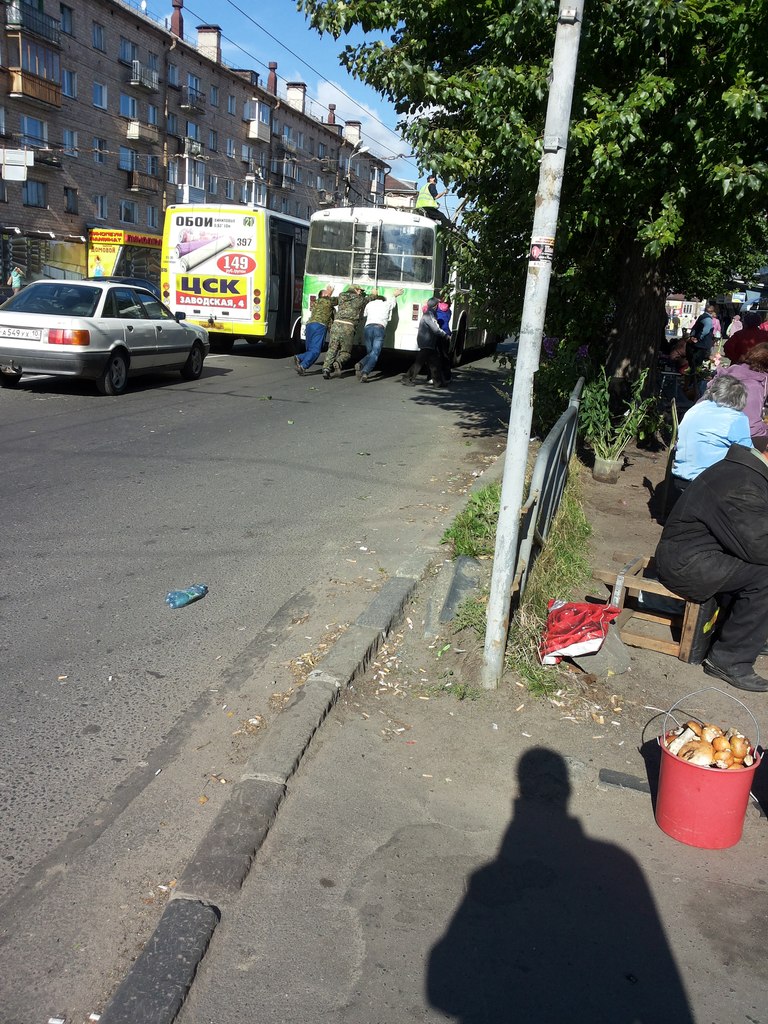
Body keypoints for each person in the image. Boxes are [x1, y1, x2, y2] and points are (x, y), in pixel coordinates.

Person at [655, 442, 768, 692]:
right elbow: (760, 546)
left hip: (702, 557)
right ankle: (729, 660)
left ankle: (749, 634)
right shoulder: (743, 484)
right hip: (686, 565)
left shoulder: (747, 474)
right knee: (765, 575)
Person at [669, 375, 752, 498]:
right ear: (741, 399)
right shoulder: (736, 418)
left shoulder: (697, 408)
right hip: (707, 482)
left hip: (679, 476)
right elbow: (748, 453)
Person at [707, 342, 768, 450]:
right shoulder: (752, 386)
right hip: (720, 449)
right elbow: (752, 430)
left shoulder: (734, 372)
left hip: (707, 438)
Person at [322, 284, 371, 379]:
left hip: (336, 325)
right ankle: (338, 362)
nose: (361, 292)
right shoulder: (359, 299)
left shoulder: (341, 296)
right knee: (346, 353)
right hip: (348, 326)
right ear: (355, 290)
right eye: (360, 290)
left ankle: (326, 369)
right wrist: (373, 294)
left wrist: (328, 295)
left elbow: (331, 301)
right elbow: (368, 299)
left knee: (332, 348)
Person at [356, 287, 404, 382]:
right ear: (383, 300)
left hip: (368, 328)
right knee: (375, 353)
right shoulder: (386, 304)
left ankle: (361, 364)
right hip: (379, 328)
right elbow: (392, 302)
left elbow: (364, 314)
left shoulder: (369, 304)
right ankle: (365, 372)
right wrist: (395, 295)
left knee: (370, 352)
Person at [401, 296, 451, 387]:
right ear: (436, 306)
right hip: (427, 343)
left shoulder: (429, 313)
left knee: (435, 363)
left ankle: (438, 382)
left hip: (428, 343)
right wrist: (445, 335)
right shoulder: (429, 315)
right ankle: (407, 378)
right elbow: (436, 329)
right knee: (419, 363)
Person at [295, 285, 336, 374]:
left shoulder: (316, 302)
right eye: (327, 293)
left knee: (311, 349)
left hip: (309, 325)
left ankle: (300, 357)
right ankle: (303, 366)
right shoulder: (327, 301)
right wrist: (330, 293)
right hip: (319, 326)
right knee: (316, 350)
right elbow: (338, 300)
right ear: (324, 295)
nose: (329, 294)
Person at [685, 303, 716, 391]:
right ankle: (694, 385)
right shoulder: (708, 319)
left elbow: (695, 328)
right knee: (697, 365)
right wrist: (699, 337)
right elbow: (706, 330)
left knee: (695, 365)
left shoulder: (702, 317)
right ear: (712, 311)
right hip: (701, 345)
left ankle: (692, 384)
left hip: (697, 344)